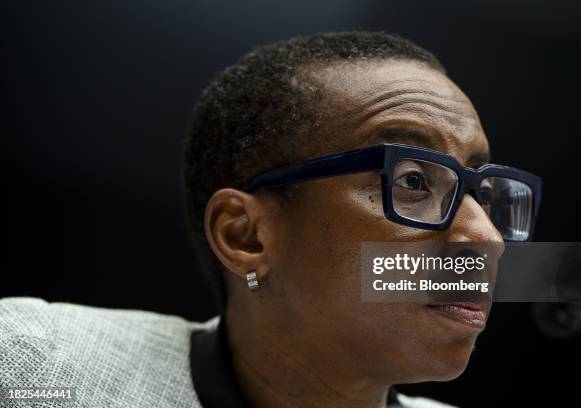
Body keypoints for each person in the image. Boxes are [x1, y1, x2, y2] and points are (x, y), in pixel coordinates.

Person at [0, 31, 541, 408]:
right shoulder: (31, 362)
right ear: (246, 234)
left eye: (483, 193)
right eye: (413, 181)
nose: (486, 238)